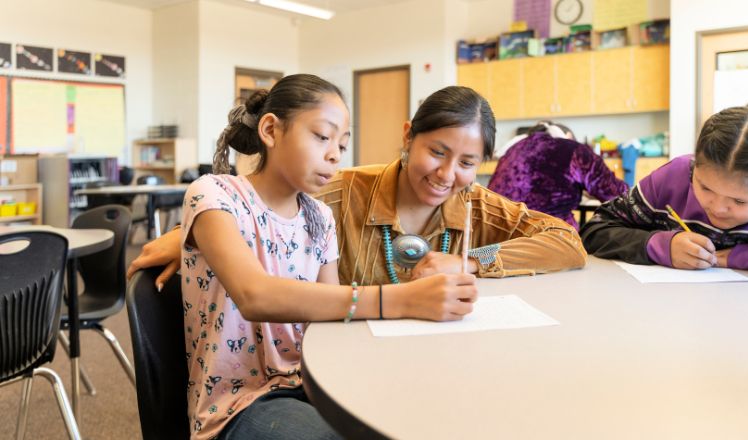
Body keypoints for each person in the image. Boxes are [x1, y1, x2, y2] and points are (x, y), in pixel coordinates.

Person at [175, 74, 478, 440]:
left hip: (315, 382)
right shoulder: (214, 193)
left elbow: (332, 316)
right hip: (240, 404)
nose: (334, 154)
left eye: (342, 144)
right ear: (270, 130)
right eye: (322, 137)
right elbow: (255, 295)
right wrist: (399, 300)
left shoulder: (319, 217)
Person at [128, 86, 587, 288]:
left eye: (468, 162)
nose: (447, 174)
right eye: (437, 152)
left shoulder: (474, 204)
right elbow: (253, 205)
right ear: (408, 137)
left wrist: (470, 261)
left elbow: (567, 242)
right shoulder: (343, 190)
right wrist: (189, 235)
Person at [580, 104, 748, 278]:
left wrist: (746, 257)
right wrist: (660, 246)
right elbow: (594, 230)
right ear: (694, 165)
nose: (717, 208)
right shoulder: (673, 177)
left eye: (740, 201)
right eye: (704, 187)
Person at [487, 121, 628, 230]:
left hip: (495, 236)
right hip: (549, 238)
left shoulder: (513, 150)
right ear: (568, 137)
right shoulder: (574, 149)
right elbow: (617, 194)